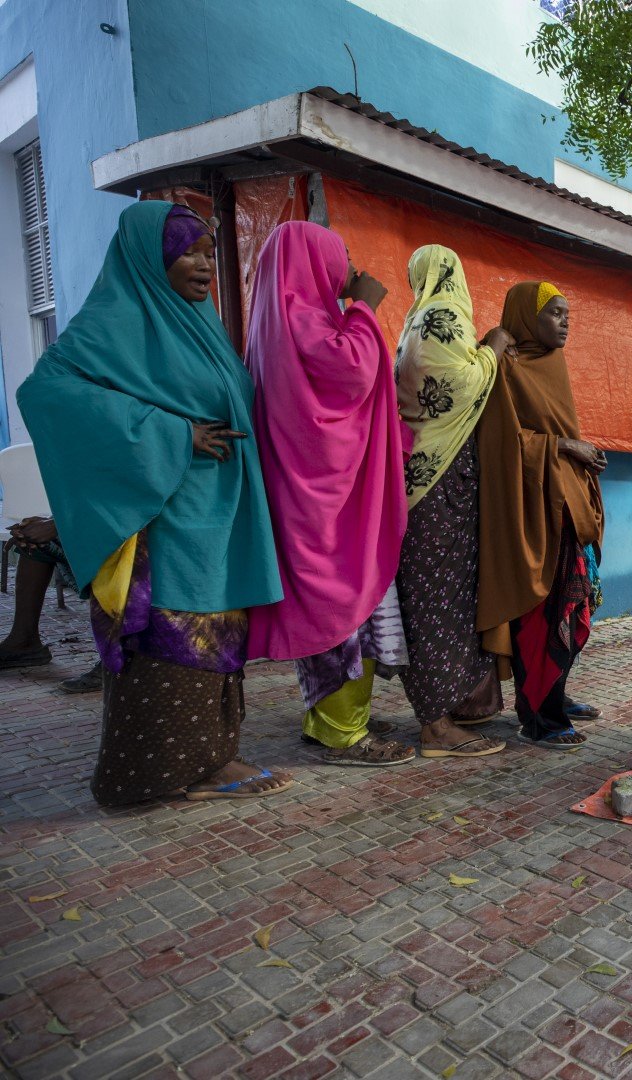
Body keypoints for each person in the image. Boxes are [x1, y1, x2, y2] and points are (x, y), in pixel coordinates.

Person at [16, 201, 290, 804]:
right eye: (187, 251)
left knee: (220, 635)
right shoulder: (115, 320)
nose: (203, 266)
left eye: (208, 253)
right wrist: (172, 433)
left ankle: (212, 758)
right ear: (149, 256)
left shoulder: (199, 323)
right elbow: (46, 393)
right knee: (172, 638)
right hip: (161, 520)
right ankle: (150, 774)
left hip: (219, 516)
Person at [245, 222, 503, 765]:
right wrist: (363, 307)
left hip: (301, 488)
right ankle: (344, 731)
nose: (349, 266)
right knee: (339, 604)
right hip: (327, 497)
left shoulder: (273, 321)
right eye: (339, 255)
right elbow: (356, 373)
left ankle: (326, 717)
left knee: (323, 601)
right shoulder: (309, 320)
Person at [477, 281, 605, 749]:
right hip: (529, 513)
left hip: (567, 505)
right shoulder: (503, 369)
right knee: (541, 616)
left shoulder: (554, 364)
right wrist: (566, 447)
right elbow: (500, 446)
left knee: (572, 607)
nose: (565, 321)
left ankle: (557, 695)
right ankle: (538, 717)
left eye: (567, 313)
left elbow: (553, 428)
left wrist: (581, 452)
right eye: (554, 313)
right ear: (529, 318)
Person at [392, 245, 510, 741]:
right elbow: (460, 385)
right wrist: (493, 349)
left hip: (419, 478)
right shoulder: (444, 317)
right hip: (444, 483)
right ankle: (436, 724)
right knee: (442, 601)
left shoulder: (409, 325)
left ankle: (448, 708)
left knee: (430, 599)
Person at [0, 517, 100, 690]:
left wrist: (58, 525)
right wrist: (45, 525)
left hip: (141, 532)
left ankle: (120, 660)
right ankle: (23, 641)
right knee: (35, 542)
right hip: (100, 521)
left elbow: (134, 502)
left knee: (131, 559)